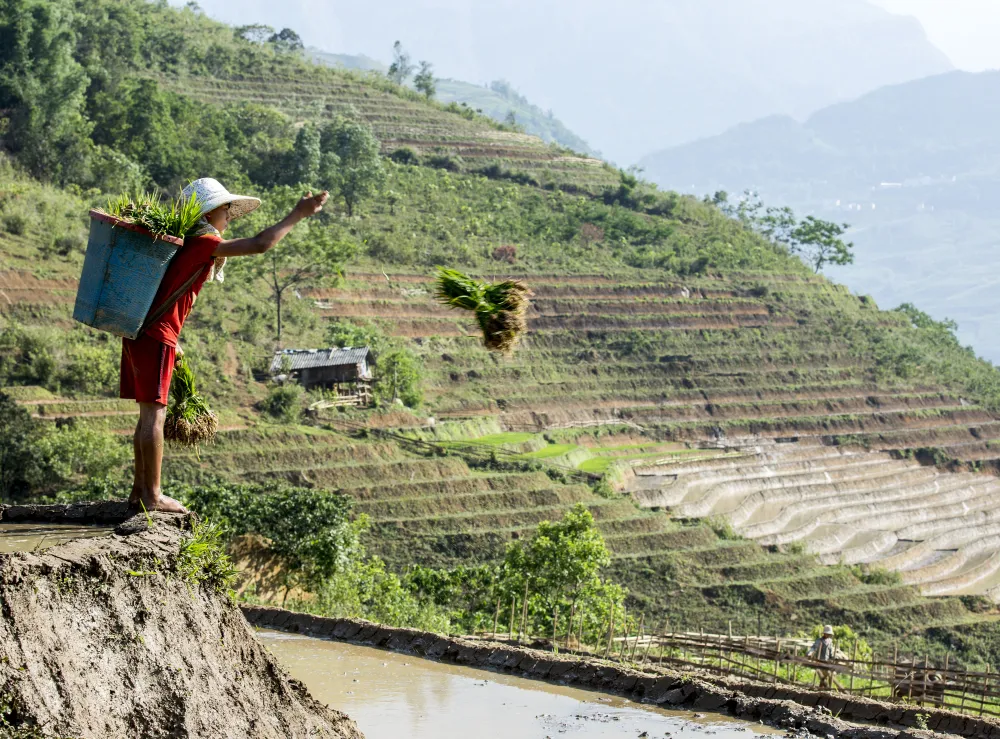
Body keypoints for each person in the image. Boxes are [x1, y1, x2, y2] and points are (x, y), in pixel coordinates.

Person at [122, 178, 329, 513]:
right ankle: (153, 495)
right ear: (208, 212)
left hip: (142, 332)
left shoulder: (186, 242)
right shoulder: (203, 239)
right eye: (226, 208)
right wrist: (297, 214)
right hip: (156, 334)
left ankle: (139, 491)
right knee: (154, 417)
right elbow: (261, 244)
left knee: (147, 415)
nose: (230, 215)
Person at [807, 625, 837, 690]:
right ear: (824, 633)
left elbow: (831, 652)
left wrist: (833, 658)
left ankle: (826, 689)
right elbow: (814, 648)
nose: (828, 635)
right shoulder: (819, 641)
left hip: (827, 662)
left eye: (829, 634)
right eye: (827, 633)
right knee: (823, 677)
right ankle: (824, 688)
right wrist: (809, 653)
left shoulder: (830, 641)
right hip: (820, 661)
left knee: (829, 675)